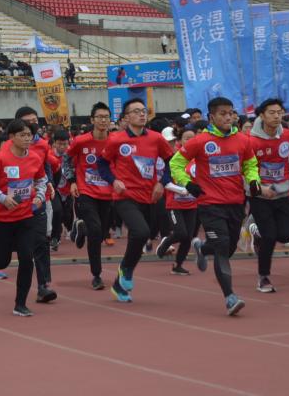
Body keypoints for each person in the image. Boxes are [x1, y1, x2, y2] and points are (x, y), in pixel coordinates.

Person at [170, 96, 260, 316]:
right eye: (222, 113)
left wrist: (254, 180)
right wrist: (188, 184)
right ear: (211, 117)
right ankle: (230, 297)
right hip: (209, 204)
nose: (228, 117)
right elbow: (176, 163)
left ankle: (202, 247)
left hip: (236, 203)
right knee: (221, 247)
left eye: (231, 113)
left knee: (227, 248)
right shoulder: (200, 141)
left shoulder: (243, 140)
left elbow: (250, 164)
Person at [97, 97, 174, 302]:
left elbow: (171, 162)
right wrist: (114, 181)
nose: (142, 114)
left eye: (144, 111)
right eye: (136, 111)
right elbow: (102, 165)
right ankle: (126, 270)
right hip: (125, 197)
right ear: (127, 117)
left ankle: (119, 283)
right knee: (141, 232)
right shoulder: (116, 140)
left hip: (150, 196)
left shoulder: (157, 139)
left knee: (141, 238)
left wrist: (162, 183)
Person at [0, 120, 48, 316]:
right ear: (12, 137)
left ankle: (20, 304)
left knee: (27, 259)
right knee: (1, 261)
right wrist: (2, 198)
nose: (27, 139)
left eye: (29, 135)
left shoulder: (34, 158)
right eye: (22, 135)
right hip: (2, 219)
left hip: (25, 217)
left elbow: (41, 179)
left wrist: (40, 196)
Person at [246, 99, 289, 293]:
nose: (277, 116)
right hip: (259, 197)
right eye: (272, 112)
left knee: (287, 235)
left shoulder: (288, 136)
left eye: (279, 112)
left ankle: (257, 232)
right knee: (270, 236)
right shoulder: (250, 141)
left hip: (283, 194)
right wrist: (260, 188)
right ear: (262, 115)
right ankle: (263, 277)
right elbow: (244, 170)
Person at [65, 102, 115, 289]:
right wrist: (72, 182)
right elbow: (67, 160)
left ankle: (81, 228)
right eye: (99, 117)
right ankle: (97, 274)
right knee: (95, 230)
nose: (103, 120)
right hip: (85, 191)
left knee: (101, 232)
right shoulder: (81, 141)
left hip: (108, 193)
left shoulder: (116, 141)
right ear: (92, 120)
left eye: (106, 117)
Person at [13, 107, 57, 303]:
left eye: (35, 121)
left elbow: (45, 167)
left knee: (41, 241)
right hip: (13, 205)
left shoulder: (42, 145)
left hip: (38, 201)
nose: (33, 125)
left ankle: (43, 285)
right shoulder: (6, 148)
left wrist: (48, 184)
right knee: (12, 251)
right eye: (27, 122)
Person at [158, 129, 198, 274]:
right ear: (179, 141)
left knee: (188, 237)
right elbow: (166, 182)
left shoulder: (199, 159)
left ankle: (177, 265)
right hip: (175, 204)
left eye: (193, 138)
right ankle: (166, 241)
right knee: (180, 233)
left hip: (192, 204)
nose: (191, 141)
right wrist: (183, 190)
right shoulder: (173, 159)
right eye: (187, 138)